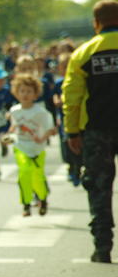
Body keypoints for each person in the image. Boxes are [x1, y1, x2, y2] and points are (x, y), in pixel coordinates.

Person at [63, 0, 118, 263]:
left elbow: (71, 97)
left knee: (99, 188)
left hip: (97, 131)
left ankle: (102, 246)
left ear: (96, 23)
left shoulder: (83, 54)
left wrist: (72, 132)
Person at [4, 73, 56, 217]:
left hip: (37, 148)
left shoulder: (41, 112)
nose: (25, 94)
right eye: (22, 91)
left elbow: (51, 129)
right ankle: (26, 204)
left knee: (37, 175)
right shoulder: (14, 110)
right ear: (16, 92)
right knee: (24, 172)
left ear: (35, 94)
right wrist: (8, 136)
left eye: (29, 91)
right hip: (20, 146)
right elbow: (14, 127)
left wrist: (42, 138)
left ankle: (43, 199)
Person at [52, 52, 82, 186]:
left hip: (77, 116)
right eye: (63, 66)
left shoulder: (78, 79)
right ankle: (71, 167)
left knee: (78, 142)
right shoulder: (59, 82)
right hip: (64, 117)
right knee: (66, 143)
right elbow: (55, 96)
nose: (66, 69)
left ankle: (78, 168)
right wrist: (58, 101)